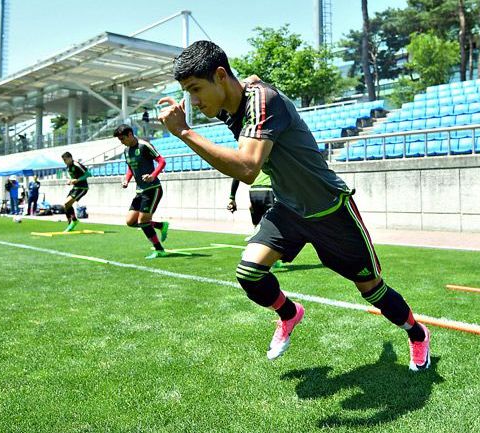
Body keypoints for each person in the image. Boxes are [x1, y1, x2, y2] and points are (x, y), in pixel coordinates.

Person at [158, 40, 430, 371]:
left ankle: (417, 333)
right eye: (188, 92)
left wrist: (184, 131)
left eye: (196, 89)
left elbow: (247, 168)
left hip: (330, 209)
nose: (194, 101)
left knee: (371, 290)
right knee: (250, 273)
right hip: (288, 209)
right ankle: (289, 313)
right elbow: (244, 96)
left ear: (219, 75)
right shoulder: (233, 108)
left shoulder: (263, 100)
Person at [113, 124, 170, 259]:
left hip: (152, 189)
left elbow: (162, 161)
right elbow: (131, 168)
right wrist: (126, 180)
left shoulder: (144, 145)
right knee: (131, 222)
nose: (121, 142)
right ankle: (161, 225)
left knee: (143, 221)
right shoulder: (126, 151)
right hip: (140, 191)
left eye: (122, 139)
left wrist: (153, 175)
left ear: (130, 134)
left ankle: (159, 250)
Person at [61, 152, 91, 232]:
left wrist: (77, 180)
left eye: (65, 160)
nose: (64, 161)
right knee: (65, 205)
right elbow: (74, 177)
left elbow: (88, 174)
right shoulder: (68, 167)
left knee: (67, 203)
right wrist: (70, 181)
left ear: (70, 158)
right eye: (63, 160)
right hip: (75, 187)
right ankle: (71, 224)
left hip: (82, 188)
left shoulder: (76, 164)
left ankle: (73, 222)